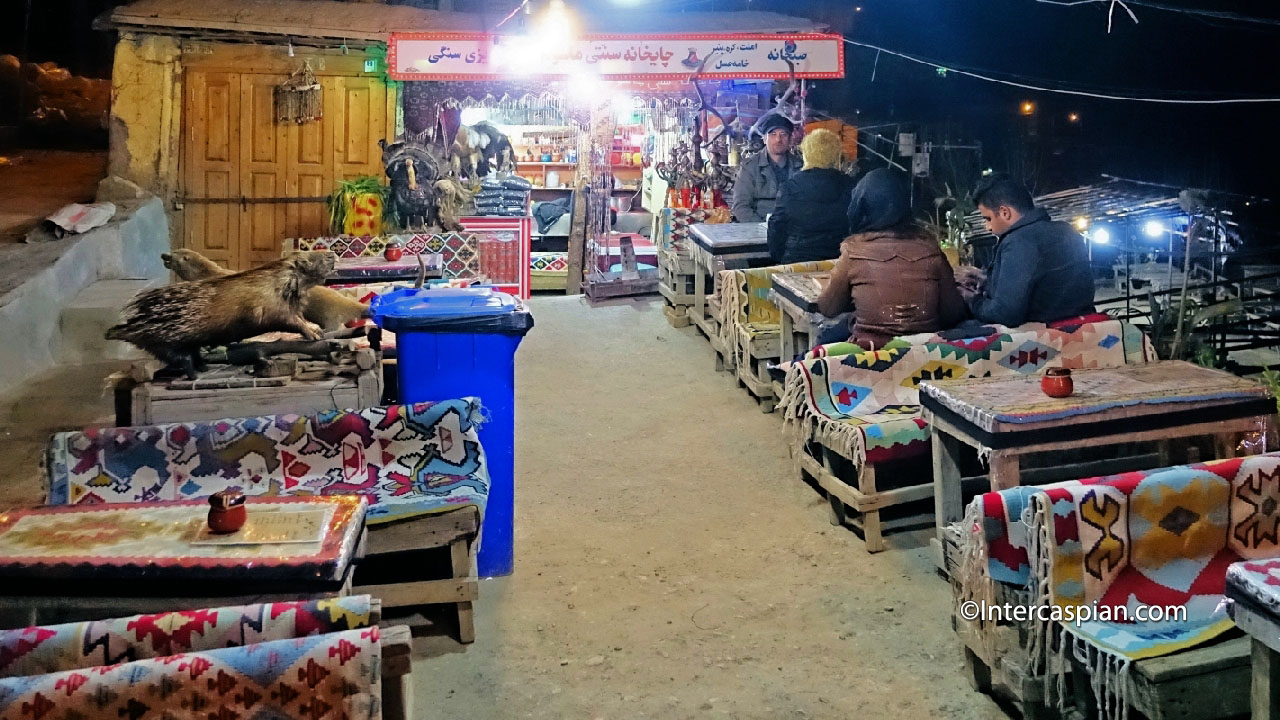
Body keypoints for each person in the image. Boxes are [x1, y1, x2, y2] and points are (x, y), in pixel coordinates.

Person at [815, 169, 968, 348]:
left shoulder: (853, 251)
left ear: (862, 204)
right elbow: (953, 313)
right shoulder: (930, 249)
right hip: (923, 354)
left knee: (826, 336)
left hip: (871, 352)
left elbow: (828, 308)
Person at [960, 174, 1096, 326]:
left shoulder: (1019, 241)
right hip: (1082, 325)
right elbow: (1043, 286)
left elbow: (1004, 314)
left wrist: (972, 299)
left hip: (1043, 335)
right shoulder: (1067, 230)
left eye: (988, 218)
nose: (988, 227)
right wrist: (986, 281)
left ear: (1005, 212)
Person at [766, 129, 856, 264]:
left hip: (797, 262)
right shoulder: (850, 185)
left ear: (806, 153)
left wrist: (780, 258)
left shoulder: (790, 187)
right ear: (837, 154)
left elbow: (777, 227)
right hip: (838, 262)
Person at [730, 115, 803, 223]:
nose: (778, 139)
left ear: (790, 138)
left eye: (783, 134)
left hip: (793, 230)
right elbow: (740, 206)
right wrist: (762, 229)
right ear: (764, 139)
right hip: (759, 229)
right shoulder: (749, 167)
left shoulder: (800, 166)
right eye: (773, 134)